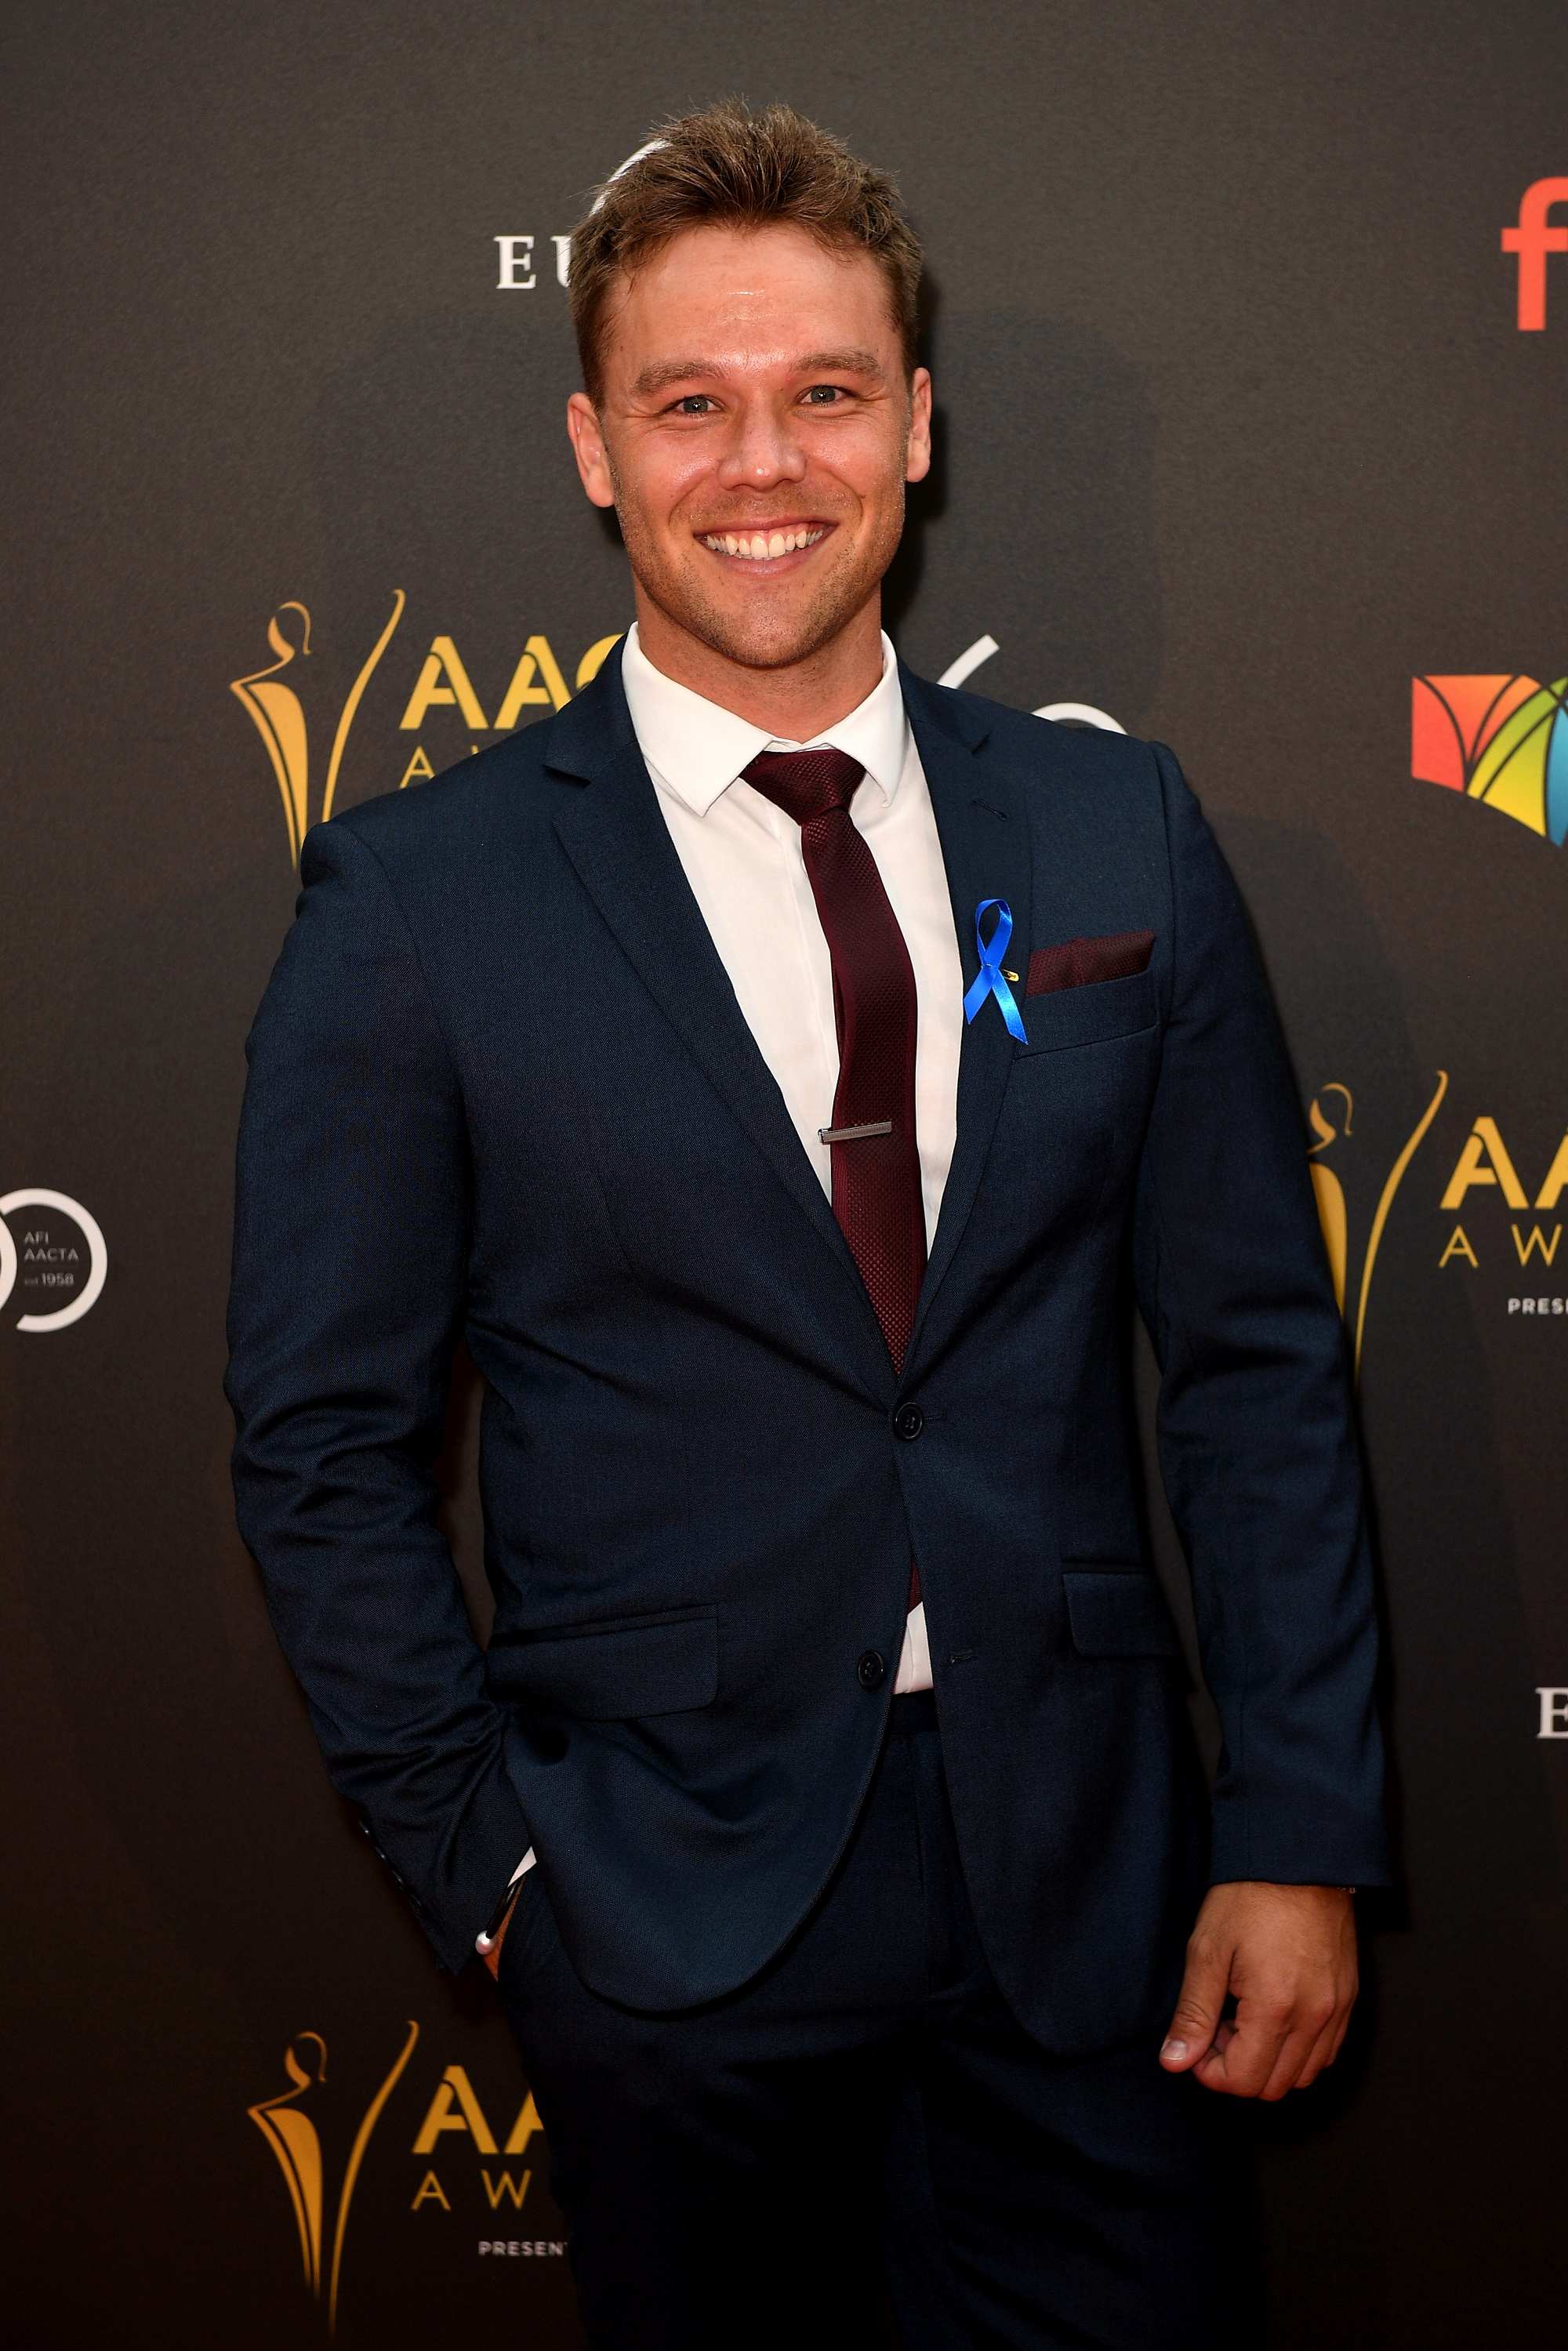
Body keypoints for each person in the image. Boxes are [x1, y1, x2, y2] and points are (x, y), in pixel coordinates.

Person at [225, 97, 1389, 2351]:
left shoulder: (1114, 822)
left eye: (825, 393)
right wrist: (498, 1881)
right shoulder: (421, 900)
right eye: (693, 403)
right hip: (664, 1916)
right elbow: (319, 1442)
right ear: (595, 447)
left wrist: (1301, 1831)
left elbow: (1253, 1361)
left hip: (1098, 1901)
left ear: (919, 424)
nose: (764, 464)